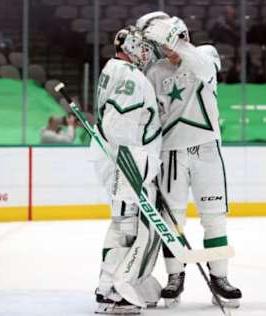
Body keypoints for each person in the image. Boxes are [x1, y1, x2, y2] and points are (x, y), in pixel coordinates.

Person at [137, 13, 242, 308]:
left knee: (215, 218)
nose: (166, 50)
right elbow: (150, 115)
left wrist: (176, 41)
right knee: (173, 222)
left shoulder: (204, 54)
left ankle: (219, 278)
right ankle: (175, 277)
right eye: (161, 43)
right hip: (171, 154)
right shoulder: (154, 71)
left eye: (167, 41)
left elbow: (205, 69)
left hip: (207, 149)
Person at [91, 25, 163, 315]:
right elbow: (117, 125)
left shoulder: (115, 69)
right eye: (142, 44)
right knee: (126, 227)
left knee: (125, 225)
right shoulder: (130, 76)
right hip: (126, 161)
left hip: (123, 159)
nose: (146, 51)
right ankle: (112, 290)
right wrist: (131, 165)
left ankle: (113, 285)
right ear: (130, 45)